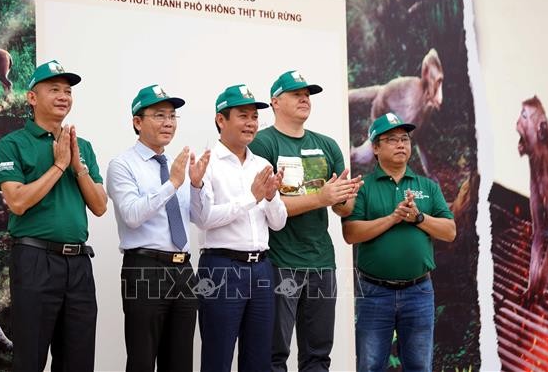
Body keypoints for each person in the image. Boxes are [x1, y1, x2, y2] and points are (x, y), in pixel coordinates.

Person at [0, 60, 108, 372]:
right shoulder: (13, 144)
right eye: (54, 89)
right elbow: (17, 202)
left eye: (68, 91)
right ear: (32, 98)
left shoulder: (81, 146)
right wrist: (58, 165)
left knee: (79, 361)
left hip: (79, 265)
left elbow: (99, 206)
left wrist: (77, 167)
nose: (63, 96)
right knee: (30, 360)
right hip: (34, 260)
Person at [249, 70, 362, 371]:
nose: (304, 98)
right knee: (274, 354)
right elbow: (265, 203)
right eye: (296, 93)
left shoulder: (328, 145)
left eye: (308, 94)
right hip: (279, 262)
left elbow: (343, 209)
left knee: (317, 356)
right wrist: (322, 197)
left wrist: (344, 197)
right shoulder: (262, 144)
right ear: (275, 101)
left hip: (322, 263)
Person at [106, 84, 210, 372]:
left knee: (180, 363)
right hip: (145, 269)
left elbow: (199, 220)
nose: (168, 123)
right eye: (160, 115)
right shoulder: (123, 165)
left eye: (173, 116)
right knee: (142, 360)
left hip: (183, 271)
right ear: (137, 122)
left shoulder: (177, 166)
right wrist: (173, 184)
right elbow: (131, 215)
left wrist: (197, 185)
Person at [342, 112, 456, 372]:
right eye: (391, 139)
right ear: (375, 147)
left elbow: (449, 231)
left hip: (419, 292)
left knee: (419, 366)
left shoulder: (427, 186)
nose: (401, 145)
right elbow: (350, 233)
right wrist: (392, 218)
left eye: (405, 139)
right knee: (370, 366)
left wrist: (418, 217)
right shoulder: (363, 187)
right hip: (374, 293)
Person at [191, 84, 288, 371]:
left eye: (255, 117)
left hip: (261, 269)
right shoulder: (206, 163)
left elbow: (279, 222)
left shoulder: (262, 164)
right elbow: (204, 218)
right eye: (243, 116)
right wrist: (252, 197)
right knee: (218, 357)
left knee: (259, 360)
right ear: (221, 119)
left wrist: (270, 197)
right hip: (221, 267)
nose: (251, 124)